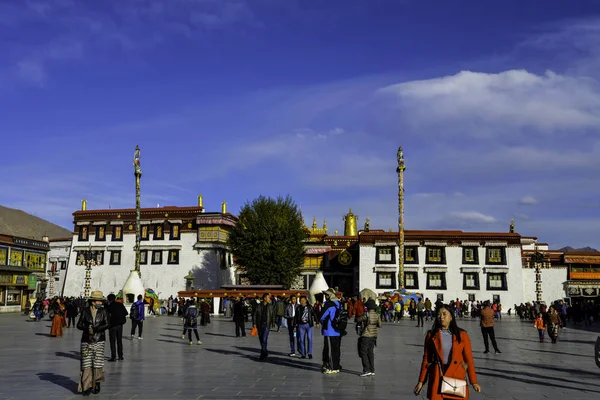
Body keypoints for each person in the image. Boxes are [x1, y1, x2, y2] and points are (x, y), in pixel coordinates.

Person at [414, 304, 481, 399]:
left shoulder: (462, 335)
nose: (441, 317)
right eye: (438, 314)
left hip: (456, 376)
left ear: (451, 317)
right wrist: (421, 381)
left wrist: (473, 382)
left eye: (444, 314)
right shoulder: (431, 335)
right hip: (438, 374)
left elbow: (468, 359)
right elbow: (426, 359)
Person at [77, 291, 109, 396]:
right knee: (86, 363)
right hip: (86, 340)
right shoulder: (85, 311)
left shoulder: (103, 311)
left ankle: (97, 382)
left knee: (98, 362)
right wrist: (87, 328)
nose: (100, 302)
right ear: (93, 302)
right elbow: (79, 324)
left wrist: (95, 329)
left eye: (101, 301)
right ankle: (86, 386)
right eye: (98, 301)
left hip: (99, 339)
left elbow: (107, 324)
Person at [357, 299, 382, 377]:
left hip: (366, 335)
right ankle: (372, 370)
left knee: (363, 352)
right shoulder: (377, 315)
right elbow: (380, 325)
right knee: (370, 353)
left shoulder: (367, 314)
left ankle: (366, 370)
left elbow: (358, 319)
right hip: (374, 336)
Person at [320, 288, 342, 374]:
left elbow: (322, 316)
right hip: (338, 330)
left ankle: (331, 367)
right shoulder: (339, 303)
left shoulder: (328, 304)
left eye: (326, 294)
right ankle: (337, 366)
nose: (325, 296)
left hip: (329, 330)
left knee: (329, 349)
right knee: (336, 349)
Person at [106, 294, 128, 362]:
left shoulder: (109, 307)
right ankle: (120, 356)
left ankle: (113, 357)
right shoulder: (120, 305)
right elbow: (126, 313)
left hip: (112, 326)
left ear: (109, 300)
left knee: (112, 341)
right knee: (119, 341)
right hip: (119, 325)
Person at [253, 293, 274, 360]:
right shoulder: (258, 306)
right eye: (268, 297)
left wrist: (273, 323)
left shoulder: (270, 306)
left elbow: (272, 315)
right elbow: (254, 314)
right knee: (261, 339)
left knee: (264, 339)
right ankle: (265, 351)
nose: (269, 299)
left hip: (266, 325)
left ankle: (263, 353)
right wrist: (254, 323)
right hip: (259, 324)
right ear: (264, 298)